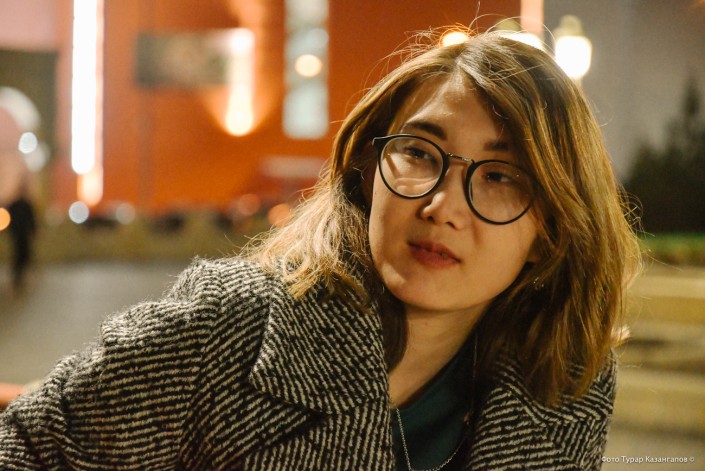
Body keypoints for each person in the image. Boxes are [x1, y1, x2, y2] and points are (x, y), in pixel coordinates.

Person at [0, 29, 641, 470]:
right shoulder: (230, 329)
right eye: (420, 154)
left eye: (500, 177)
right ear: (368, 171)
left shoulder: (566, 384)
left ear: (551, 232)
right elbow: (25, 446)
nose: (442, 206)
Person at [0, 109, 36, 293]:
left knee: (21, 245)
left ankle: (18, 273)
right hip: (12, 207)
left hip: (16, 208)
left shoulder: (18, 163)